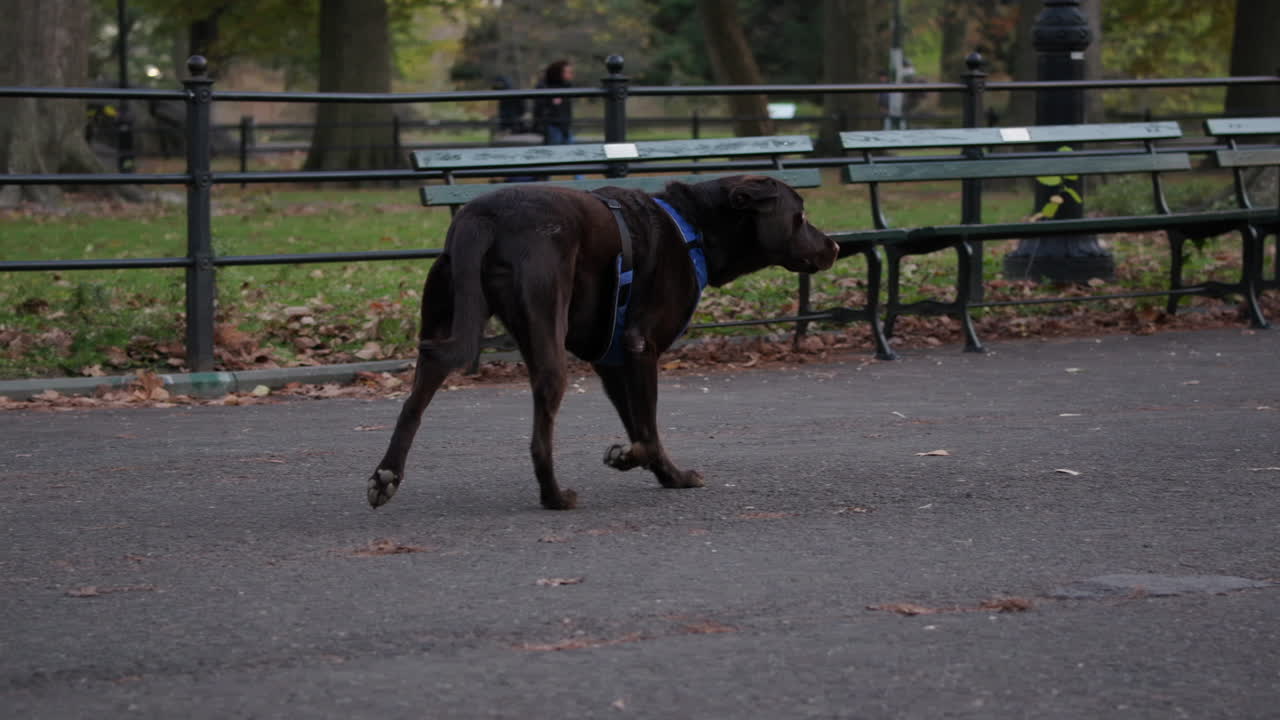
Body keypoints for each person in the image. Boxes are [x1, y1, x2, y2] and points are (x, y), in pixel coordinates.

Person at [533, 59, 574, 145]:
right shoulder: (544, 87)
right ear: (559, 73)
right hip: (552, 126)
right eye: (568, 72)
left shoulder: (567, 87)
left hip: (565, 126)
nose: (571, 75)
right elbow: (539, 107)